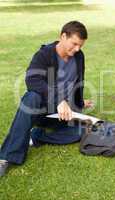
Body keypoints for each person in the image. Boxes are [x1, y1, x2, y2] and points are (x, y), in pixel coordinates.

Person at [0, 21, 93, 177]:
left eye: (80, 46)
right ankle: (5, 157)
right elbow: (33, 80)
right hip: (41, 109)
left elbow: (79, 82)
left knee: (83, 131)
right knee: (31, 97)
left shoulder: (79, 56)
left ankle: (36, 137)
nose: (77, 49)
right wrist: (58, 100)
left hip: (62, 113)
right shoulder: (44, 54)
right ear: (63, 36)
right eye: (74, 44)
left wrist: (79, 103)